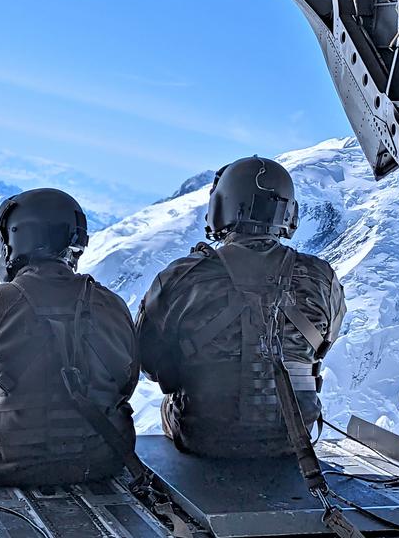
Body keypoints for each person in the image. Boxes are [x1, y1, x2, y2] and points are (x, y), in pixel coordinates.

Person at [136, 156, 346, 458]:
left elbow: (148, 361)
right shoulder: (323, 278)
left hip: (204, 438)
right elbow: (323, 343)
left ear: (221, 207)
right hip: (293, 440)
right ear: (289, 214)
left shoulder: (183, 276)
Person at [0, 188, 139, 486]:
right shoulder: (111, 304)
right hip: (101, 461)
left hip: (7, 464)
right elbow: (127, 384)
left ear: (15, 240)